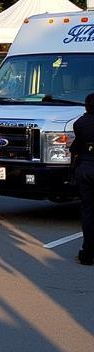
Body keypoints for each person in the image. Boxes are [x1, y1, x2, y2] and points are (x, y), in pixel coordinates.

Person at [69, 93, 94, 266]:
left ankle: (87, 254)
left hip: (85, 168)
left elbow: (74, 148)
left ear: (86, 107)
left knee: (88, 211)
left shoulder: (79, 124)